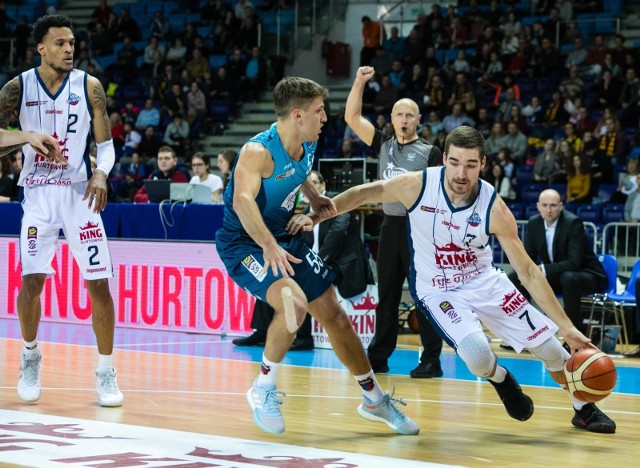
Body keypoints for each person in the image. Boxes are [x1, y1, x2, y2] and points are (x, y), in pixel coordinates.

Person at [303, 126, 615, 434]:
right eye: (454, 163)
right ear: (444, 160)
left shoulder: (494, 207)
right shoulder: (417, 185)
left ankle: (583, 408)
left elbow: (529, 272)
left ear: (483, 164)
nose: (460, 174)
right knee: (478, 356)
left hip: (484, 281)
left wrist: (567, 327)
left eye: (469, 164)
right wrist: (314, 216)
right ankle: (500, 378)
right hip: (438, 289)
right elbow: (362, 193)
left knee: (552, 350)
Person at [214, 76, 418, 435]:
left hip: (283, 236)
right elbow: (242, 200)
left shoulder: (307, 143)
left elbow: (296, 173)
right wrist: (266, 244)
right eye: (318, 111)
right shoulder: (257, 151)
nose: (325, 117)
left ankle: (373, 398)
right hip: (245, 242)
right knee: (292, 304)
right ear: (297, 114)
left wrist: (312, 195)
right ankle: (263, 388)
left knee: (336, 316)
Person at [0, 15, 123, 407]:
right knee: (32, 282)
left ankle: (106, 371)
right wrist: (27, 136)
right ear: (41, 48)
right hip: (37, 195)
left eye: (72, 43)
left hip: (79, 194)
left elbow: (105, 144)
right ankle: (30, 354)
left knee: (99, 283)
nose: (69, 49)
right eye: (60, 43)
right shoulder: (17, 87)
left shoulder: (90, 86)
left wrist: (101, 173)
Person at [345, 66, 444, 378]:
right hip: (390, 228)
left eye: (409, 115)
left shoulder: (430, 152)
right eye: (398, 114)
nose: (403, 119)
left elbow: (439, 196)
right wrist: (359, 81)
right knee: (386, 295)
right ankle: (379, 356)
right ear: (391, 118)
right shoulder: (383, 145)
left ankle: (431, 360)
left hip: (419, 231)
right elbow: (351, 118)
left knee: (422, 296)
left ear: (418, 120)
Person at [233, 170, 373, 350]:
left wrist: (316, 262)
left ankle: (304, 337)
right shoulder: (304, 212)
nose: (309, 189)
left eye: (314, 183)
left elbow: (336, 237)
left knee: (303, 279)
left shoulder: (335, 204)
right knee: (274, 271)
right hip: (316, 261)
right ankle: (261, 331)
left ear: (322, 186)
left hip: (339, 264)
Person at [508, 189, 608, 337]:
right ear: (538, 206)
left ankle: (575, 337)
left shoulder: (573, 223)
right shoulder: (534, 223)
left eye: (553, 205)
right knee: (515, 277)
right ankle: (529, 332)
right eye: (545, 205)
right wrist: (525, 270)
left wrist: (542, 269)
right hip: (559, 275)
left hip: (587, 275)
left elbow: (574, 263)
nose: (549, 210)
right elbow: (529, 256)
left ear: (561, 206)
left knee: (568, 278)